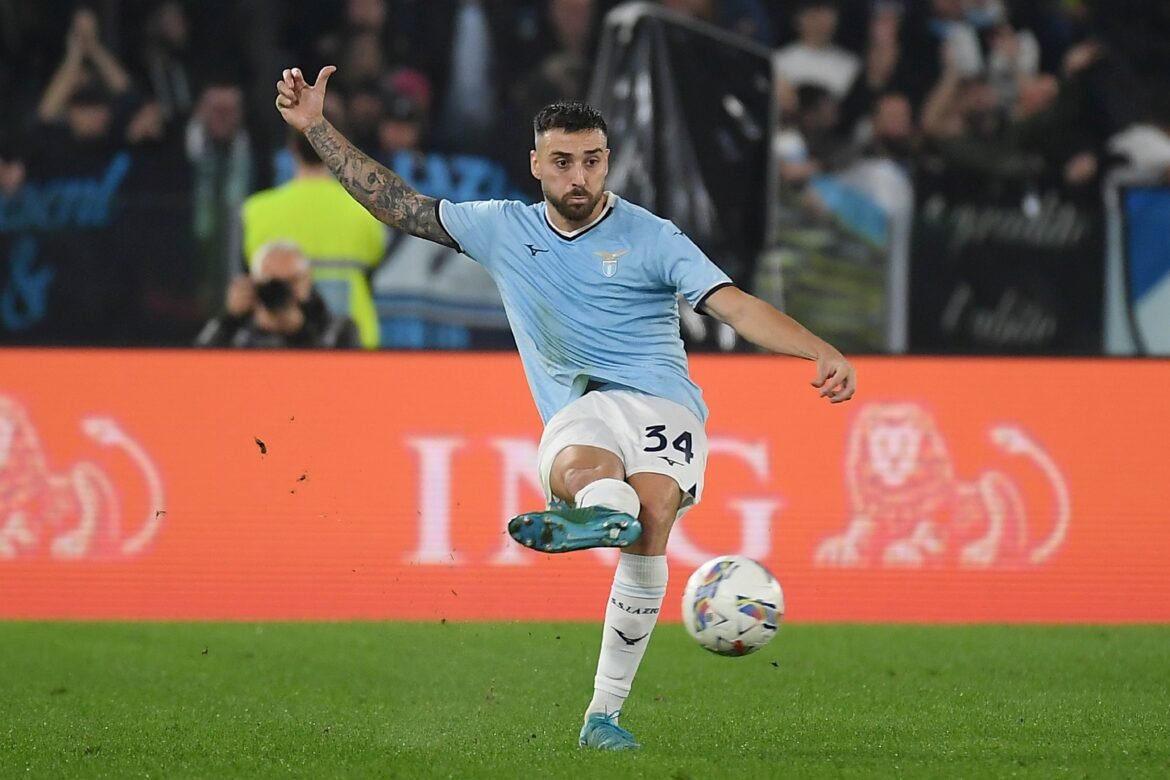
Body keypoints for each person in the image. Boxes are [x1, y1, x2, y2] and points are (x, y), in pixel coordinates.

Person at [274, 65, 856, 751]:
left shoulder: (653, 237)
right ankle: (600, 512)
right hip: (581, 404)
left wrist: (817, 348)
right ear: (535, 165)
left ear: (607, 160)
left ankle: (602, 713)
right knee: (589, 467)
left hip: (665, 405)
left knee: (652, 514)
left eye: (592, 161)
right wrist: (316, 126)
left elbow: (735, 306)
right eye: (562, 162)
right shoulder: (500, 227)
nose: (579, 177)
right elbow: (396, 204)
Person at [242, 129, 387, 349]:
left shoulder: (257, 211)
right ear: (338, 148)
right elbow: (376, 261)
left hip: (275, 341)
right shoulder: (364, 212)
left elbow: (251, 273)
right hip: (354, 343)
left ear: (291, 148)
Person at [195, 240, 359, 348]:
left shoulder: (337, 329)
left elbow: (339, 378)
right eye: (272, 282)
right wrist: (230, 320)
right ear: (253, 282)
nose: (281, 290)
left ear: (307, 279)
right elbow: (198, 369)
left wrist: (299, 332)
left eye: (291, 281)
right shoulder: (234, 332)